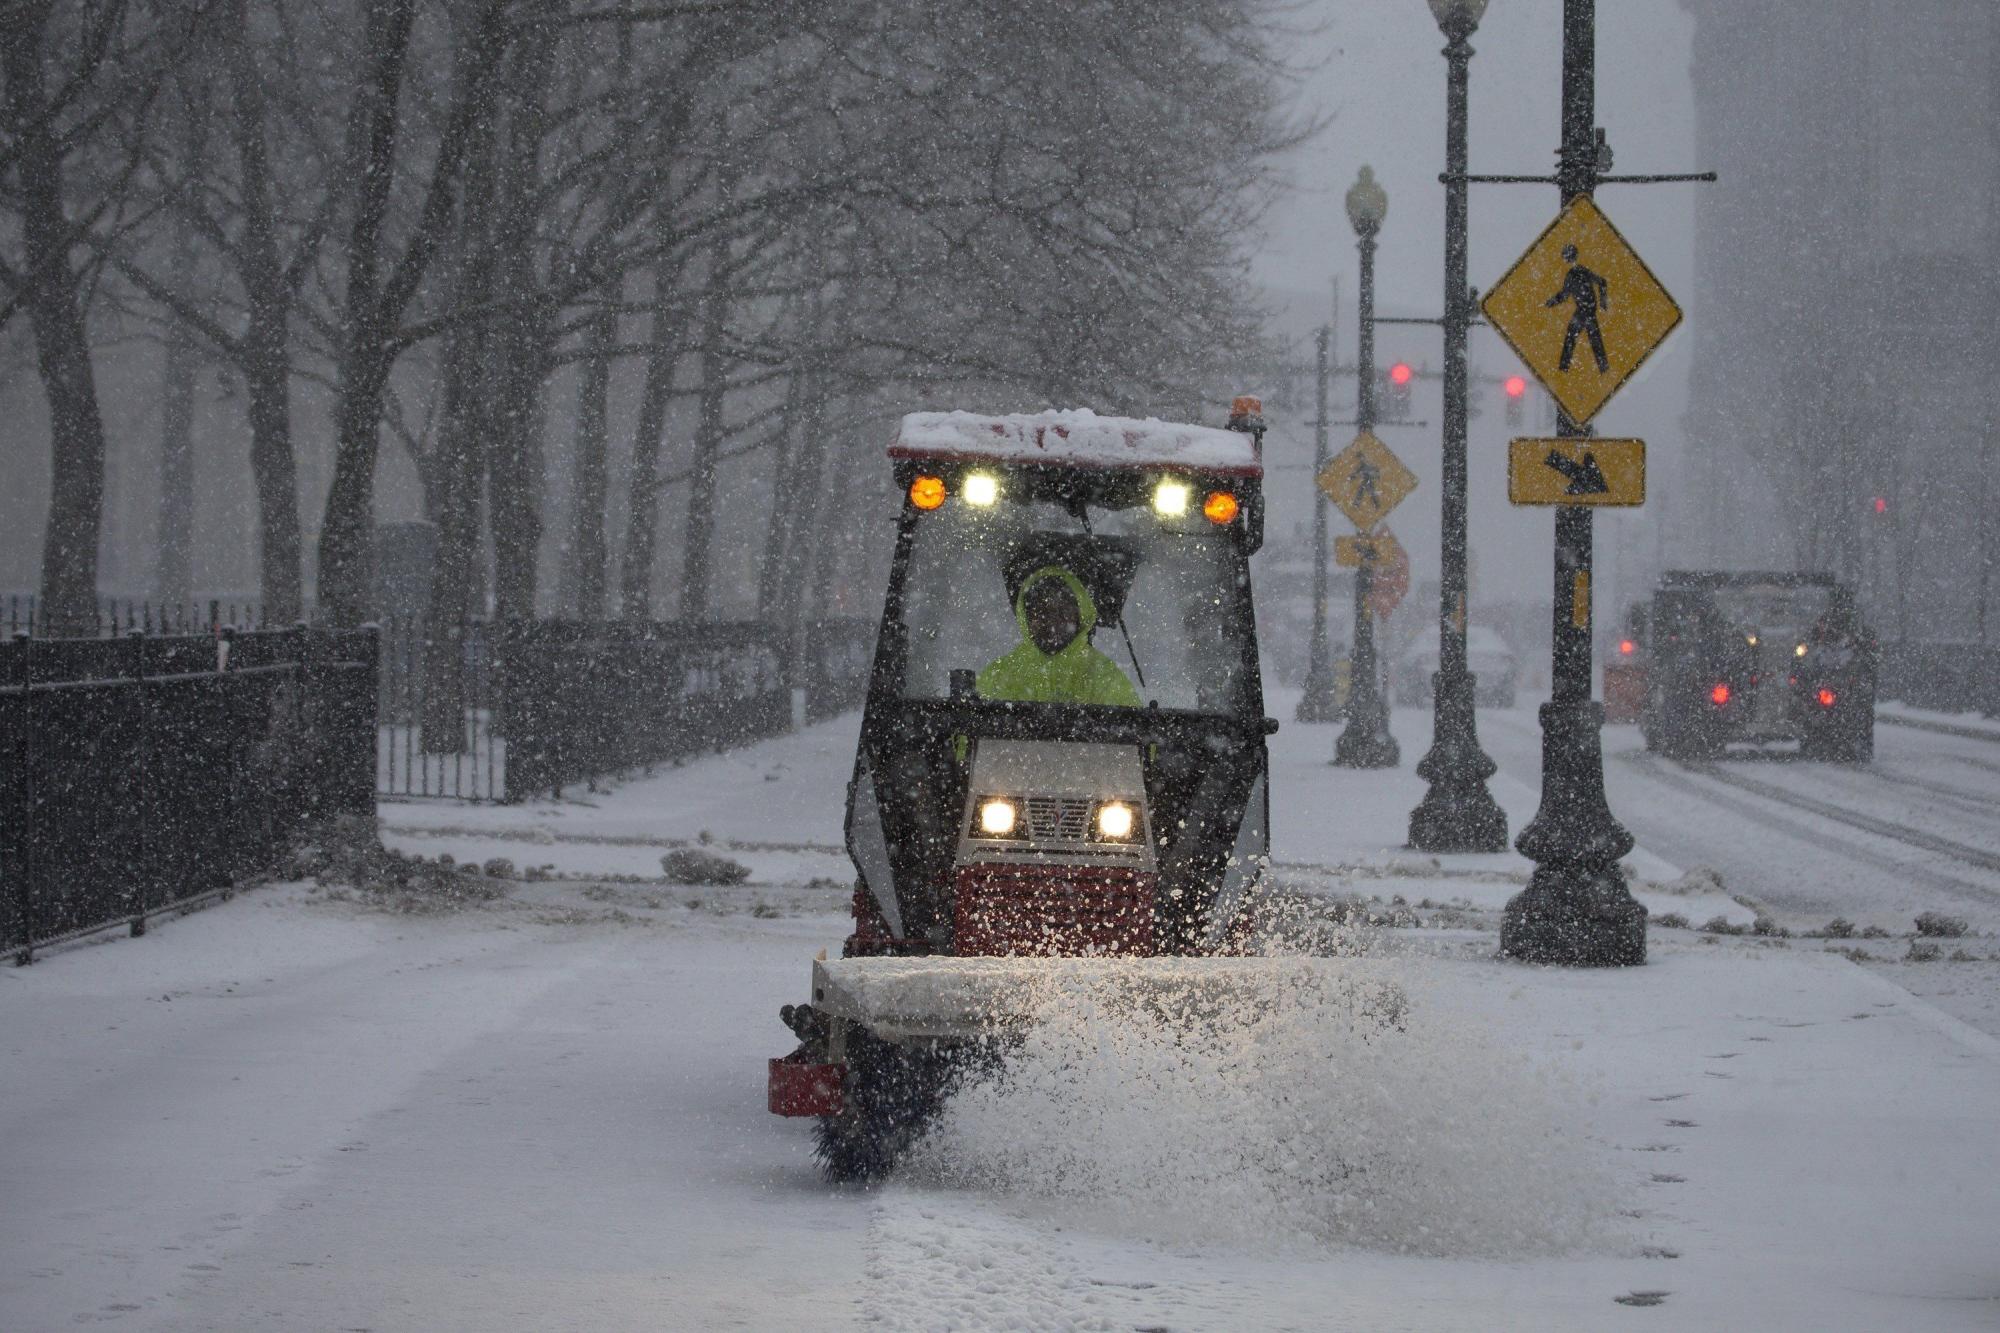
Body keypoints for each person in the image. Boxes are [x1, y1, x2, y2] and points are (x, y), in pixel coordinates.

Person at [976, 564, 1141, 707]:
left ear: (1079, 617)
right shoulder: (999, 677)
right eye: (1040, 611)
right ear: (1026, 618)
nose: (1052, 620)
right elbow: (965, 739)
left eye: (1063, 611)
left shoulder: (1104, 678)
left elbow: (1139, 735)